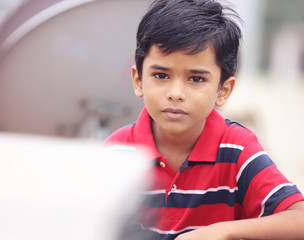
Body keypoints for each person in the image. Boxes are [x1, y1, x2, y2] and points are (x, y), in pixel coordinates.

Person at [103, 0, 304, 239]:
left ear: (223, 90)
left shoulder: (238, 149)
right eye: (161, 75)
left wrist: (223, 231)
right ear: (138, 80)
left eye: (196, 79)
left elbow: (298, 219)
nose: (176, 93)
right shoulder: (118, 152)